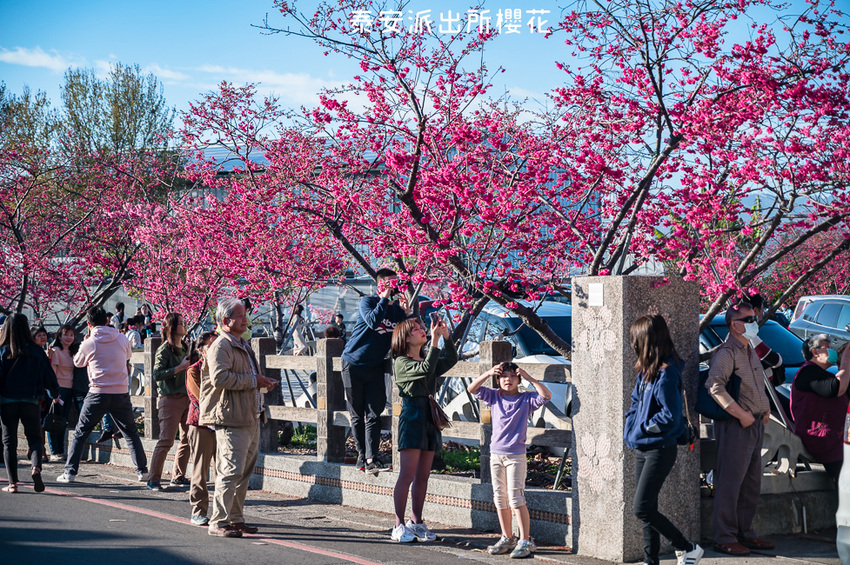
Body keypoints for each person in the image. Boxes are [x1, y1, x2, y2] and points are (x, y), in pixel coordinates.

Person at [622, 314, 703, 565]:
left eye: (635, 338)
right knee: (648, 508)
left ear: (647, 340)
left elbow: (670, 416)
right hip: (643, 447)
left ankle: (687, 547)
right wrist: (631, 425)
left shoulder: (667, 374)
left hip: (660, 449)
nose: (632, 342)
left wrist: (641, 429)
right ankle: (651, 560)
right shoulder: (647, 371)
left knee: (642, 508)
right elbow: (635, 402)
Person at [200, 298, 277, 538]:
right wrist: (255, 381)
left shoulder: (242, 344)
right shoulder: (221, 346)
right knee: (230, 470)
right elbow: (220, 378)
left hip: (250, 415)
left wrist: (262, 382)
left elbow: (247, 377)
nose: (246, 319)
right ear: (226, 321)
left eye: (245, 314)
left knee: (243, 473)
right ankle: (219, 521)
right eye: (240, 315)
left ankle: (235, 518)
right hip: (231, 417)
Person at [706, 300, 773, 556]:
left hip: (755, 423)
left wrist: (764, 409)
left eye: (754, 318)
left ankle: (745, 533)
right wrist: (742, 414)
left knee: (751, 483)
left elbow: (757, 383)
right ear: (735, 325)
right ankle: (725, 537)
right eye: (749, 320)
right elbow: (715, 387)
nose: (755, 323)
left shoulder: (749, 349)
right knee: (731, 483)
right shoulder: (726, 352)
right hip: (736, 425)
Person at [468, 361, 551, 558]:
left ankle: (525, 540)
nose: (508, 380)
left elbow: (546, 395)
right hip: (496, 454)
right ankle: (507, 537)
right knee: (499, 497)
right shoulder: (494, 396)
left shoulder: (526, 399)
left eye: (513, 376)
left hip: (516, 456)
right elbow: (472, 388)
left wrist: (529, 378)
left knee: (516, 497)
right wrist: (488, 373)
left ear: (519, 380)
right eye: (504, 376)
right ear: (498, 380)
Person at [57, 305, 148, 484]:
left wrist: (84, 343)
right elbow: (128, 355)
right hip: (120, 392)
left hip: (97, 393)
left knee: (81, 432)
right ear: (107, 320)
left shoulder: (89, 342)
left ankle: (70, 472)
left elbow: (78, 363)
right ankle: (142, 471)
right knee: (130, 433)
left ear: (88, 324)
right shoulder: (122, 338)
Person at [389, 316, 457, 543]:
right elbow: (426, 368)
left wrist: (446, 337)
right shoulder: (401, 362)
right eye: (416, 329)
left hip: (429, 416)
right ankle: (398, 525)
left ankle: (416, 521)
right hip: (412, 416)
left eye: (421, 328)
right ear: (406, 338)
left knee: (423, 476)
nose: (422, 331)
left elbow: (451, 359)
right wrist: (435, 340)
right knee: (407, 474)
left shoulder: (427, 358)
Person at [341, 268, 410, 471]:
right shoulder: (368, 302)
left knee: (374, 413)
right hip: (353, 364)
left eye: (395, 283)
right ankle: (362, 456)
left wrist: (408, 313)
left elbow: (412, 333)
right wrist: (384, 298)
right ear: (380, 285)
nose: (393, 287)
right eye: (389, 283)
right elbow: (372, 322)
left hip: (376, 367)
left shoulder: (397, 312)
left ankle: (371, 459)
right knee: (357, 414)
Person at [0, 314, 60, 493]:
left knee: (9, 442)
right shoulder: (37, 351)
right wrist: (55, 394)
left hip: (7, 402)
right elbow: (49, 376)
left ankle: (13, 484)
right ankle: (36, 468)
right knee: (35, 438)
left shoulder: (3, 350)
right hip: (31, 401)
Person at [791, 335, 850, 483]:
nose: (832, 350)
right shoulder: (807, 373)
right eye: (827, 347)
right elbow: (837, 388)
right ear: (815, 352)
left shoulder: (824, 374)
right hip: (822, 440)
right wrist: (846, 359)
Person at [146, 312, 192, 491]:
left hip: (187, 398)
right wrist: (179, 368)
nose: (184, 325)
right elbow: (156, 374)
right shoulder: (164, 349)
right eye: (180, 323)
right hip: (170, 399)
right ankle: (153, 479)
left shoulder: (186, 347)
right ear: (171, 327)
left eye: (184, 322)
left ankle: (178, 476)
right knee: (166, 440)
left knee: (188, 438)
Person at [185, 331, 218, 526]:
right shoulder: (193, 370)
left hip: (222, 423)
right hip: (200, 424)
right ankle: (198, 510)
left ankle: (223, 513)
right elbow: (200, 399)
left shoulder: (223, 368)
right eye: (211, 346)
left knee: (223, 470)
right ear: (201, 350)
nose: (215, 349)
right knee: (200, 469)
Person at [46, 325, 83, 462]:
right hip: (59, 389)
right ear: (59, 336)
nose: (69, 338)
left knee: (63, 421)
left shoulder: (74, 352)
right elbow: (52, 374)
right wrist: (54, 393)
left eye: (71, 335)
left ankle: (61, 450)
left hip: (70, 389)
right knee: (54, 420)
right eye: (65, 335)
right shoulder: (56, 351)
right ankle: (54, 451)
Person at [744, 293, 784, 387]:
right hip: (758, 387)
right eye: (762, 308)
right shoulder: (746, 333)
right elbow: (775, 360)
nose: (763, 312)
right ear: (755, 310)